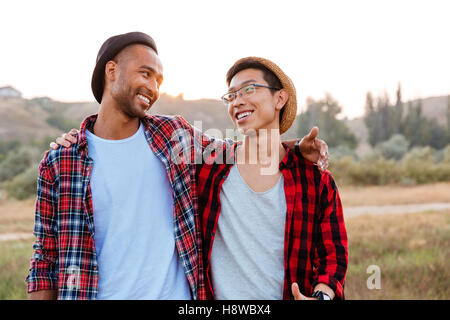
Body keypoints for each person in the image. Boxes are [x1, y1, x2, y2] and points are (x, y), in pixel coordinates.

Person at [28, 32, 329, 300]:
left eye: (157, 80)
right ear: (111, 70)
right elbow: (44, 259)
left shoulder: (173, 136)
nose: (152, 87)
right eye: (145, 74)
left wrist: (295, 146)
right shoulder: (60, 163)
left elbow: (239, 150)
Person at [197, 57, 348, 300]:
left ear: (280, 98)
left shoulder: (315, 180)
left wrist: (322, 296)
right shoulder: (210, 168)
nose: (238, 101)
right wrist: (295, 145)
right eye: (231, 95)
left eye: (248, 89)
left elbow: (333, 256)